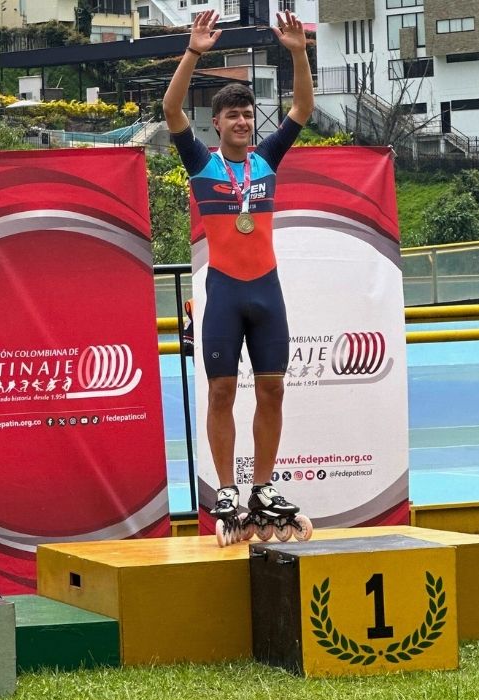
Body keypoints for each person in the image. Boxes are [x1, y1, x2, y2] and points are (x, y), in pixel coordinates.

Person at [162, 11, 314, 545]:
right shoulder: (201, 164)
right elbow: (171, 107)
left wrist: (296, 51)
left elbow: (302, 107)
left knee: (272, 388)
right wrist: (194, 52)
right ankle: (227, 490)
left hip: (266, 290)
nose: (243, 123)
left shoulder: (268, 160)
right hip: (224, 291)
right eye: (233, 117)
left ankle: (264, 488)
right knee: (222, 391)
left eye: (248, 116)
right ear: (218, 125)